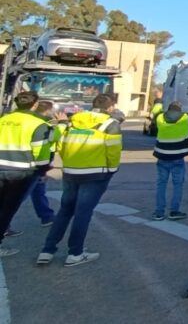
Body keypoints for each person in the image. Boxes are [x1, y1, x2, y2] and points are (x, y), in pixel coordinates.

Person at [37, 93, 121, 266]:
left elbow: (60, 145)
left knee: (65, 211)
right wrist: (112, 170)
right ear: (110, 107)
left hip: (70, 172)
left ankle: (47, 250)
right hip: (96, 173)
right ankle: (75, 253)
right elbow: (113, 151)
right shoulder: (110, 124)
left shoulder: (74, 120)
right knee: (83, 213)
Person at [150, 87, 188, 221]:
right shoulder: (185, 118)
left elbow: (155, 110)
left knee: (161, 184)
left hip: (162, 157)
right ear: (180, 109)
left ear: (169, 109)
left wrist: (159, 98)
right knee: (178, 185)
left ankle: (159, 212)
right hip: (178, 158)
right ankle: (174, 211)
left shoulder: (160, 118)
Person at [0, 92, 50, 257]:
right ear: (35, 104)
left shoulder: (3, 120)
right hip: (21, 172)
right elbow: (41, 152)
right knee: (7, 210)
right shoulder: (38, 123)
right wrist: (43, 171)